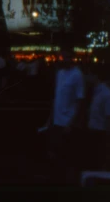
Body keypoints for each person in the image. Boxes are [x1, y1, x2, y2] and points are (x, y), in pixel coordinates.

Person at [43, 46, 86, 182]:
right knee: (53, 151)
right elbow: (56, 98)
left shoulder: (77, 75)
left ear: (70, 58)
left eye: (64, 57)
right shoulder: (60, 73)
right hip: (57, 121)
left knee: (66, 154)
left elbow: (80, 101)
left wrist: (71, 123)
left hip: (67, 123)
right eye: (60, 57)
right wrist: (50, 119)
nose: (61, 60)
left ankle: (67, 180)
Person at [86, 64, 110, 171]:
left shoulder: (107, 94)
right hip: (94, 131)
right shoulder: (97, 92)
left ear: (95, 76)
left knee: (100, 163)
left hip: (101, 134)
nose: (87, 77)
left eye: (89, 75)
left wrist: (109, 141)